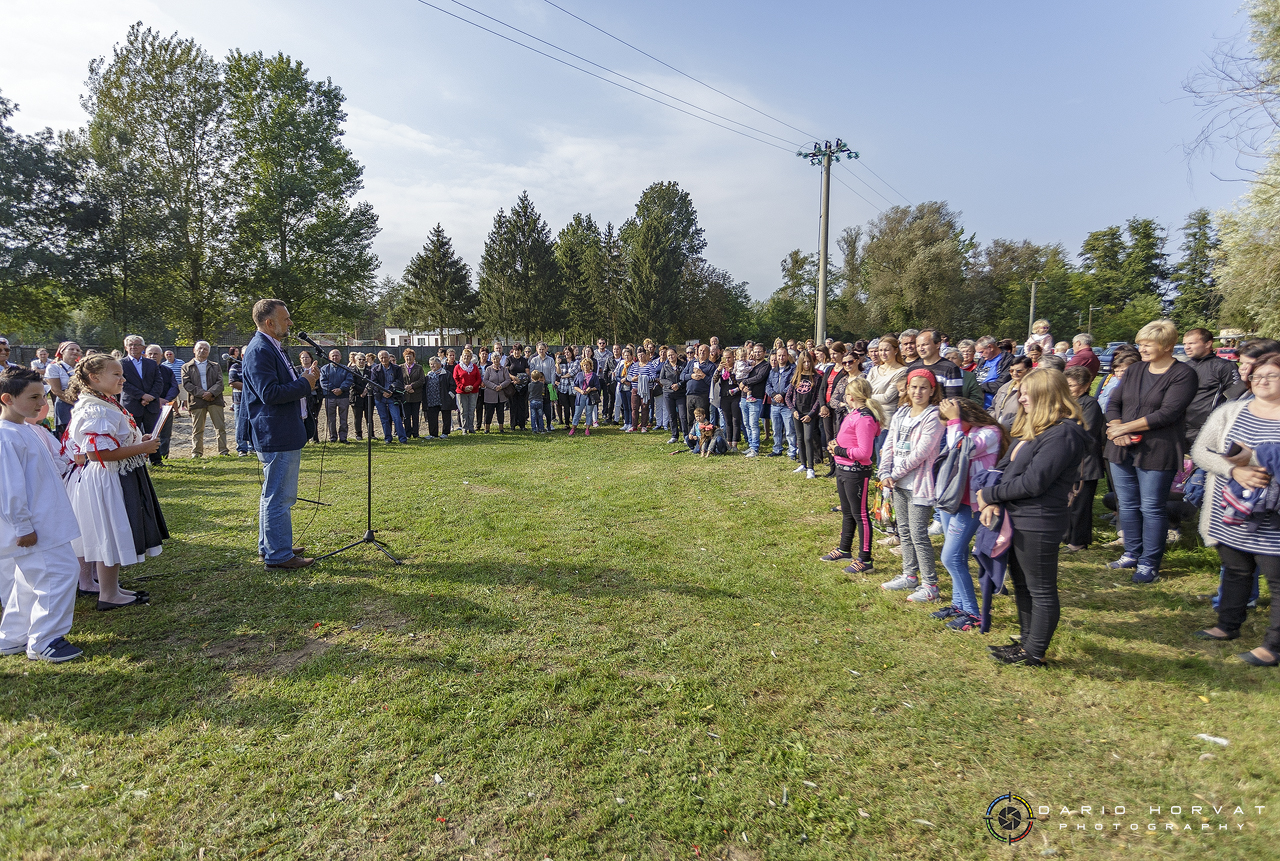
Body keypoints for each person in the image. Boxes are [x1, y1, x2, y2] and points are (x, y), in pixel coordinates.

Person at [977, 369, 1089, 667]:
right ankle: (1026, 641)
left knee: (1040, 588)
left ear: (1046, 394)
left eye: (1026, 392)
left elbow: (1034, 482)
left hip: (1038, 521)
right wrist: (991, 492)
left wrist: (991, 496)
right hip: (1019, 516)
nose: (1021, 397)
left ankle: (1035, 651)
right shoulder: (1037, 428)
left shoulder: (1064, 433)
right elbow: (1005, 467)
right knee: (1023, 585)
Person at [1190, 354, 1280, 666]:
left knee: (1276, 577)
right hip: (1232, 509)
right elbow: (1201, 450)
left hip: (1273, 515)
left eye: (1272, 376)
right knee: (1236, 568)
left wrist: (1264, 467)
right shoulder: (1231, 411)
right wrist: (1234, 471)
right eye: (1258, 376)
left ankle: (1273, 646)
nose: (1263, 381)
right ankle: (1227, 625)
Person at [63, 354, 169, 602]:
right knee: (109, 533)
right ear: (95, 377)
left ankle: (111, 589)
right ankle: (109, 594)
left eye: (122, 373)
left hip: (115, 474)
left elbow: (113, 441)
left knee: (113, 531)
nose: (123, 379)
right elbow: (98, 453)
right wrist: (141, 449)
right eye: (117, 374)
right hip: (106, 478)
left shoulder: (105, 402)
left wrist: (136, 441)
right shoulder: (95, 408)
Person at [1104, 320, 1198, 584]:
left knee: (1152, 507)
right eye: (1140, 343)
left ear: (1167, 346)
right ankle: (1132, 552)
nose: (1142, 348)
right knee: (1128, 503)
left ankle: (1149, 562)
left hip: (1158, 448)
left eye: (1148, 344)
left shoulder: (1183, 374)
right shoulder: (1134, 370)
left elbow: (1168, 413)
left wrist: (1123, 429)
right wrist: (1116, 427)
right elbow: (1114, 402)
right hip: (1121, 447)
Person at [0, 368, 83, 661]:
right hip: (36, 527)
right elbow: (10, 489)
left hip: (47, 520)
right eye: (33, 397)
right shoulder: (5, 437)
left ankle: (12, 637)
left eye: (43, 396)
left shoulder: (26, 429)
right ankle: (45, 639)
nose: (41, 403)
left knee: (28, 581)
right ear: (7, 398)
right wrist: (22, 527)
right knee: (60, 574)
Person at [240, 299, 319, 570]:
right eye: (286, 319)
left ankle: (272, 545)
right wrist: (305, 384)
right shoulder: (260, 350)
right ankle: (279, 555)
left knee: (272, 493)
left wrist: (303, 378)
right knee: (280, 496)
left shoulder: (272, 347)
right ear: (269, 323)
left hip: (280, 430)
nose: (291, 323)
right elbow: (269, 393)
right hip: (276, 432)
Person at [931, 397, 1009, 630]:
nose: (947, 426)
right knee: (958, 555)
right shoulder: (963, 429)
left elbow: (962, 450)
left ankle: (974, 614)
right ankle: (959, 605)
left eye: (950, 420)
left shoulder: (990, 432)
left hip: (973, 504)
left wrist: (955, 420)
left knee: (950, 557)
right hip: (953, 498)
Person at [877, 369, 944, 601]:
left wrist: (893, 474)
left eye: (923, 387)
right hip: (898, 482)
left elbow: (921, 453)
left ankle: (931, 585)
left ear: (932, 390)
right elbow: (889, 445)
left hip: (919, 483)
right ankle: (909, 575)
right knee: (904, 531)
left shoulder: (933, 416)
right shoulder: (902, 412)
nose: (918, 392)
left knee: (918, 534)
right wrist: (884, 471)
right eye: (913, 387)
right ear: (907, 388)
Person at [820, 377, 885, 573]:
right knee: (848, 512)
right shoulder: (854, 414)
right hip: (843, 469)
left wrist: (838, 450)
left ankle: (865, 559)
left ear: (852, 396)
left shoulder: (865, 418)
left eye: (846, 393)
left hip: (856, 472)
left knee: (860, 515)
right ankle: (844, 548)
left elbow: (864, 452)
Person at [1063, 366, 1105, 551]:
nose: (1068, 389)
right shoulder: (1065, 402)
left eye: (1072, 386)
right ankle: (1066, 536)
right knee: (1068, 502)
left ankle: (1078, 540)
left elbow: (1086, 431)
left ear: (1086, 385)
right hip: (1067, 459)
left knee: (1081, 503)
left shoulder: (1090, 404)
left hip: (1084, 463)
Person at [1182, 328, 1240, 446]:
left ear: (1208, 344)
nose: (1186, 347)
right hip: (1182, 428)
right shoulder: (1183, 367)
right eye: (1185, 344)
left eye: (1192, 343)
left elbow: (1237, 397)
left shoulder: (1224, 367)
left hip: (1208, 428)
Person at [182, 340, 229, 457]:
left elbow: (220, 383)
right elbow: (187, 384)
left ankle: (223, 451)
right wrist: (203, 393)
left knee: (220, 427)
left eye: (205, 349)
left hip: (215, 400)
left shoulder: (215, 366)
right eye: (199, 348)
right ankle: (196, 452)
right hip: (197, 401)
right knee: (197, 429)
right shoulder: (186, 367)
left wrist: (211, 393)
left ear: (208, 352)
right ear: (194, 350)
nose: (202, 351)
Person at [786, 350, 823, 479]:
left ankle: (811, 467)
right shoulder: (796, 377)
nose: (807, 364)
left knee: (808, 438)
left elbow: (819, 398)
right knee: (800, 438)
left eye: (809, 362)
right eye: (804, 362)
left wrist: (812, 413)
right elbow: (788, 397)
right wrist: (793, 410)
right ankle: (803, 463)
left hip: (810, 412)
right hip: (797, 411)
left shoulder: (817, 378)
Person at [146, 344, 180, 461]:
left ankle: (163, 457)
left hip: (165, 406)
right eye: (150, 354)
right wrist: (156, 399)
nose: (152, 356)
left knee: (165, 434)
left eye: (155, 354)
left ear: (161, 356)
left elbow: (174, 387)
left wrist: (166, 399)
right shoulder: (142, 371)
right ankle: (148, 458)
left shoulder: (167, 370)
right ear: (145, 355)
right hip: (147, 406)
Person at [909, 329, 964, 398]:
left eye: (924, 345)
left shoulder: (950, 368)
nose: (921, 349)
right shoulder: (912, 368)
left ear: (938, 345)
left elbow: (954, 400)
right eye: (918, 346)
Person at [43, 341, 80, 439]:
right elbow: (56, 391)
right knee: (67, 436)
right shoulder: (54, 367)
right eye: (71, 349)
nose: (75, 351)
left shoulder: (80, 367)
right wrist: (75, 403)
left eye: (77, 350)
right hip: (65, 404)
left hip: (81, 401)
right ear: (62, 351)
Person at [738, 344, 770, 457]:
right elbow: (740, 374)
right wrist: (741, 384)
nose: (757, 354)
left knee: (753, 424)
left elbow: (759, 378)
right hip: (743, 397)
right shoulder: (749, 363)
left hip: (755, 398)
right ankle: (751, 445)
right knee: (746, 424)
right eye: (755, 351)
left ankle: (755, 448)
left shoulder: (765, 365)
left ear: (764, 352)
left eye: (759, 351)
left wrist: (745, 382)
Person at [371, 350, 407, 444]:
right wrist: (383, 391)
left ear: (389, 357)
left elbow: (399, 381)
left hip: (393, 396)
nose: (384, 359)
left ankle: (402, 438)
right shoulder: (375, 369)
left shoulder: (396, 368)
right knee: (384, 418)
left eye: (385, 357)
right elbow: (374, 383)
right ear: (379, 359)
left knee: (396, 418)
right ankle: (388, 438)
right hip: (380, 397)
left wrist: (390, 390)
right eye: (381, 358)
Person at [766, 347, 797, 459]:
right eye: (779, 356)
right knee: (776, 429)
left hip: (786, 405)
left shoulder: (793, 369)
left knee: (790, 430)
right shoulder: (772, 371)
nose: (781, 358)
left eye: (783, 355)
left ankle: (792, 451)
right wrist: (774, 395)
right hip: (774, 404)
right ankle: (777, 449)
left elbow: (793, 383)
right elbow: (768, 385)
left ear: (787, 355)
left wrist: (783, 394)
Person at [319, 349, 353, 443]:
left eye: (337, 355)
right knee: (331, 418)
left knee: (344, 418)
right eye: (333, 356)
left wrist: (341, 389)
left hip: (343, 396)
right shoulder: (324, 369)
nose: (335, 357)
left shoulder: (346, 369)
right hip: (330, 397)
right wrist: (333, 389)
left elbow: (349, 380)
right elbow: (323, 382)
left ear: (340, 357)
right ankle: (332, 437)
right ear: (329, 357)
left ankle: (343, 437)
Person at [868, 336, 907, 414]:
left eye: (886, 350)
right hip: (870, 412)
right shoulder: (873, 370)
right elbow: (865, 390)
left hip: (886, 415)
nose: (883, 353)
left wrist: (865, 397)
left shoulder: (902, 371)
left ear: (895, 350)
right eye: (880, 350)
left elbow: (887, 397)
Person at [992, 356, 1033, 431]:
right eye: (1011, 371)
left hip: (1017, 431)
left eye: (1019, 371)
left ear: (1029, 370)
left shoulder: (1032, 389)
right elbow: (992, 407)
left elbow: (1028, 414)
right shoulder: (1004, 387)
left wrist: (1004, 426)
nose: (1014, 373)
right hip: (998, 431)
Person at [974, 336, 1011, 411]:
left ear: (990, 347)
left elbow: (1002, 384)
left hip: (993, 406)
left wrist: (980, 387)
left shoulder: (1007, 360)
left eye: (981, 352)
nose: (980, 355)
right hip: (977, 404)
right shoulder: (983, 360)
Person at [659, 347, 686, 444]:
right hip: (668, 393)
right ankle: (674, 435)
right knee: (671, 415)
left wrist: (679, 385)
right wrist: (670, 384)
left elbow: (686, 377)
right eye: (669, 355)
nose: (671, 357)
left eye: (672, 354)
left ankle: (686, 435)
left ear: (676, 354)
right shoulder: (665, 366)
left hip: (680, 393)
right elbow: (662, 379)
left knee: (682, 415)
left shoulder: (683, 365)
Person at [482, 350, 512, 433]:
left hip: (501, 395)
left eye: (497, 358)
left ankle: (501, 428)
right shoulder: (488, 369)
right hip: (490, 394)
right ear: (492, 360)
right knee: (489, 412)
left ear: (500, 359)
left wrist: (501, 386)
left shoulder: (504, 369)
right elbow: (485, 380)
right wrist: (495, 387)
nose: (496, 360)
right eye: (494, 359)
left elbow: (508, 380)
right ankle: (487, 428)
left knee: (500, 412)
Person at [528, 343, 557, 431]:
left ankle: (549, 424)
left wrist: (552, 384)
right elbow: (532, 373)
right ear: (537, 349)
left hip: (547, 385)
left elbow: (553, 372)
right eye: (539, 349)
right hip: (536, 385)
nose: (541, 351)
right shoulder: (533, 360)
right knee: (537, 408)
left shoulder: (551, 360)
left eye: (543, 349)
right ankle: (538, 425)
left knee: (547, 406)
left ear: (546, 349)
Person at [452, 348, 481, 435]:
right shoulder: (457, 367)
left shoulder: (474, 367)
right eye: (465, 356)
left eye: (468, 356)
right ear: (462, 357)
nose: (466, 358)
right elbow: (456, 379)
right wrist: (463, 387)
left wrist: (473, 387)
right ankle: (464, 428)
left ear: (471, 357)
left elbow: (478, 379)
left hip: (473, 391)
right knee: (463, 410)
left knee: (471, 410)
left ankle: (471, 427)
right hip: (461, 392)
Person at [296, 350, 322, 444]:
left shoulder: (316, 369)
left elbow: (319, 382)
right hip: (301, 397)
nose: (305, 359)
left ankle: (315, 438)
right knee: (303, 418)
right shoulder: (296, 370)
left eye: (307, 357)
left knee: (313, 417)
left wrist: (310, 387)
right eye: (303, 357)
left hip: (314, 397)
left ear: (311, 358)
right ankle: (304, 438)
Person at [570, 357, 599, 435]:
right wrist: (580, 391)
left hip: (590, 397)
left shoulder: (594, 375)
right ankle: (573, 428)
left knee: (588, 413)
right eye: (584, 365)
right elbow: (575, 386)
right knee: (577, 412)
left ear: (590, 366)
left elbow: (597, 386)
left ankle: (587, 429)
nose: (586, 367)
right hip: (580, 396)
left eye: (587, 365)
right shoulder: (579, 375)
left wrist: (591, 389)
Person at [400, 349, 425, 439]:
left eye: (410, 356)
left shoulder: (419, 368)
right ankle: (407, 433)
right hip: (405, 396)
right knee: (406, 416)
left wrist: (412, 386)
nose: (408, 358)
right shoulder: (400, 367)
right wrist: (405, 388)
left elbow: (422, 380)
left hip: (416, 395)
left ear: (414, 357)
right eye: (407, 356)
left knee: (415, 416)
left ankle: (415, 433)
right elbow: (398, 380)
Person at [508, 344, 531, 430]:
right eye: (515, 350)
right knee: (513, 405)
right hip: (512, 386)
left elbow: (527, 372)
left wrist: (521, 380)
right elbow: (506, 372)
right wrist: (513, 378)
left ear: (521, 351)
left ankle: (522, 425)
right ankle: (513, 425)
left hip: (522, 386)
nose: (516, 352)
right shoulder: (509, 359)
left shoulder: (524, 360)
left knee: (522, 405)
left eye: (518, 350)